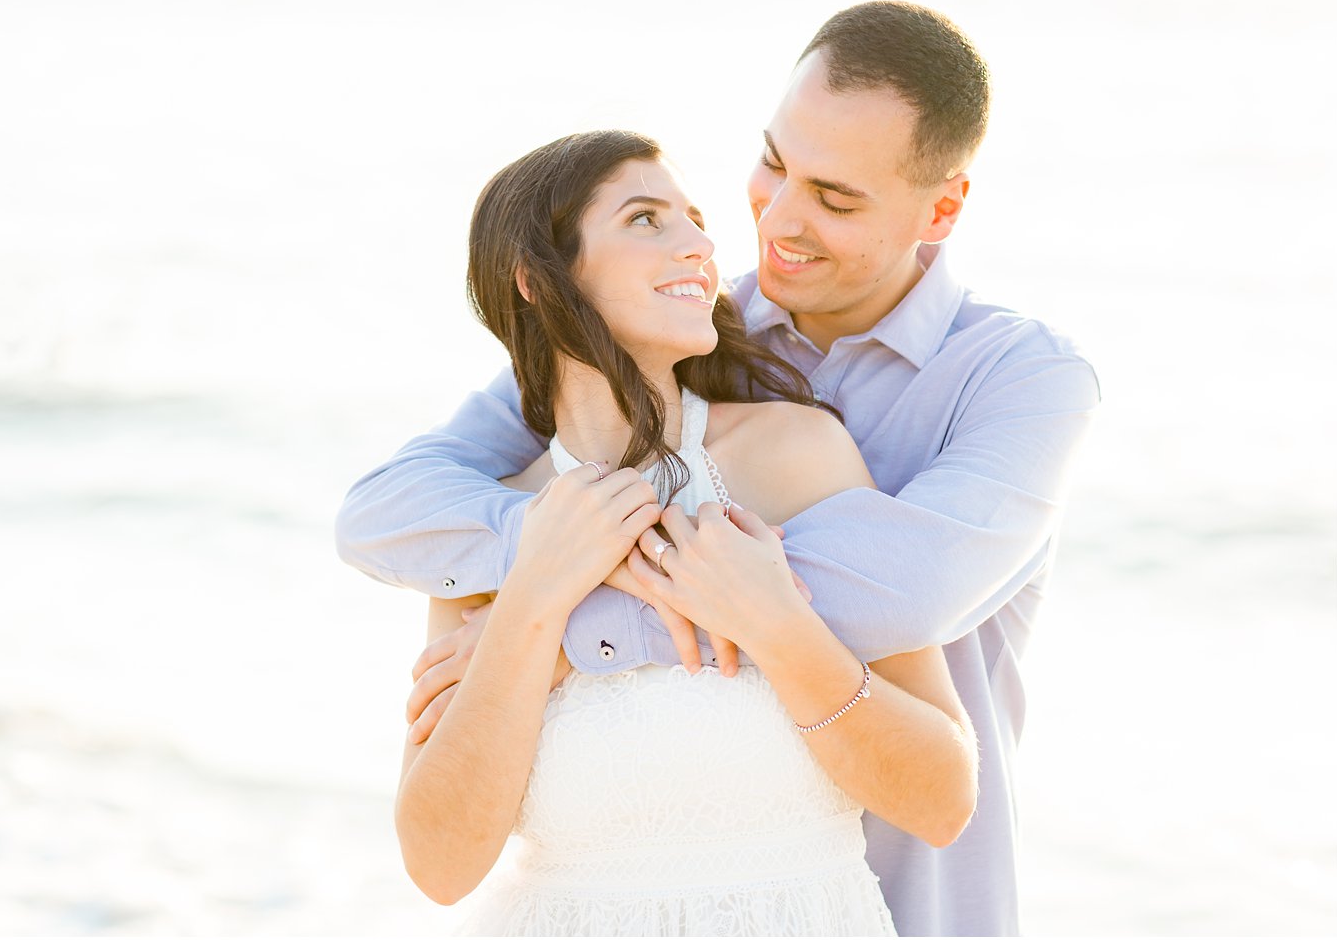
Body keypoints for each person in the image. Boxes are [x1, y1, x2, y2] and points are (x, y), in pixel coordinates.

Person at [338, 1, 1100, 937]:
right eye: (774, 163)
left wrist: (572, 608)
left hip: (919, 904)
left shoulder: (1004, 385)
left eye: (835, 195)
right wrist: (536, 573)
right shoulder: (674, 344)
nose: (767, 221)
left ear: (939, 211)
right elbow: (393, 505)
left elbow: (914, 592)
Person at [394, 128, 977, 936]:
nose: (702, 245)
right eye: (645, 219)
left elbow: (943, 799)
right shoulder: (489, 526)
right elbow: (440, 865)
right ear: (537, 280)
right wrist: (534, 599)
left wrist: (776, 623)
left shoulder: (798, 456)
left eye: (696, 219)